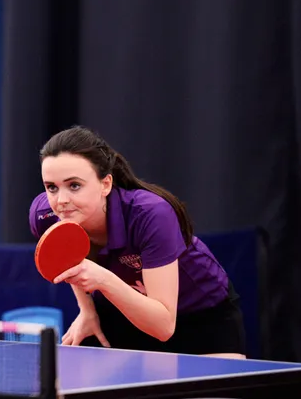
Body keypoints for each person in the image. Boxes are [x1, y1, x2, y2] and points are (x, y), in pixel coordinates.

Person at [28, 125, 246, 358]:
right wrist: (87, 310)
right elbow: (71, 259)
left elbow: (163, 327)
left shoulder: (150, 214)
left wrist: (103, 279)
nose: (61, 200)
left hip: (198, 313)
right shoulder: (45, 216)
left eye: (74, 185)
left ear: (105, 184)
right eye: (51, 187)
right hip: (123, 310)